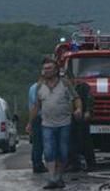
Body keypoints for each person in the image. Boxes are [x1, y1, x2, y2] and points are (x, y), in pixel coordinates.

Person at [27, 57, 82, 189]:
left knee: (63, 152)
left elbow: (76, 98)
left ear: (56, 70)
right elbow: (36, 106)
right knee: (49, 151)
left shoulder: (65, 84)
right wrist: (30, 123)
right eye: (44, 69)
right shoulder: (39, 86)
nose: (46, 71)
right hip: (47, 124)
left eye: (49, 68)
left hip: (64, 123)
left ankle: (59, 176)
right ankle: (52, 178)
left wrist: (79, 109)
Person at [67, 79, 95, 172]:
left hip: (81, 117)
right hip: (68, 117)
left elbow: (89, 99)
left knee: (85, 141)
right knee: (71, 143)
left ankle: (90, 163)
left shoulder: (83, 86)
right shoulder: (63, 87)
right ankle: (74, 163)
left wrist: (88, 111)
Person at [28, 76, 48, 174]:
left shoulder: (32, 87)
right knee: (39, 143)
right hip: (40, 117)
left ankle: (36, 163)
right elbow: (36, 104)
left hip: (36, 117)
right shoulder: (37, 88)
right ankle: (37, 164)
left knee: (36, 142)